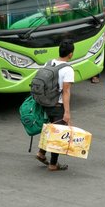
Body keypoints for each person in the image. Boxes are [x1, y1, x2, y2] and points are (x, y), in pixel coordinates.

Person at [36, 40, 75, 172]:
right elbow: (66, 91)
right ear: (70, 54)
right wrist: (67, 112)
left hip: (45, 102)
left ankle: (41, 153)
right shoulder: (68, 69)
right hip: (57, 105)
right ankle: (53, 164)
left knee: (50, 129)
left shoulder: (49, 62)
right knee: (57, 134)